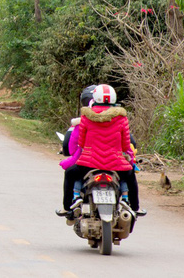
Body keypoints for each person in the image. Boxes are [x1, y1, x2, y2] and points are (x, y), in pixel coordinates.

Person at [57, 84, 144, 219]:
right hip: (116, 164)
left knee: (69, 173)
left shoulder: (86, 116)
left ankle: (67, 208)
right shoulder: (121, 117)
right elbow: (126, 144)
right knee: (131, 176)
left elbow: (81, 142)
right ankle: (135, 208)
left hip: (88, 163)